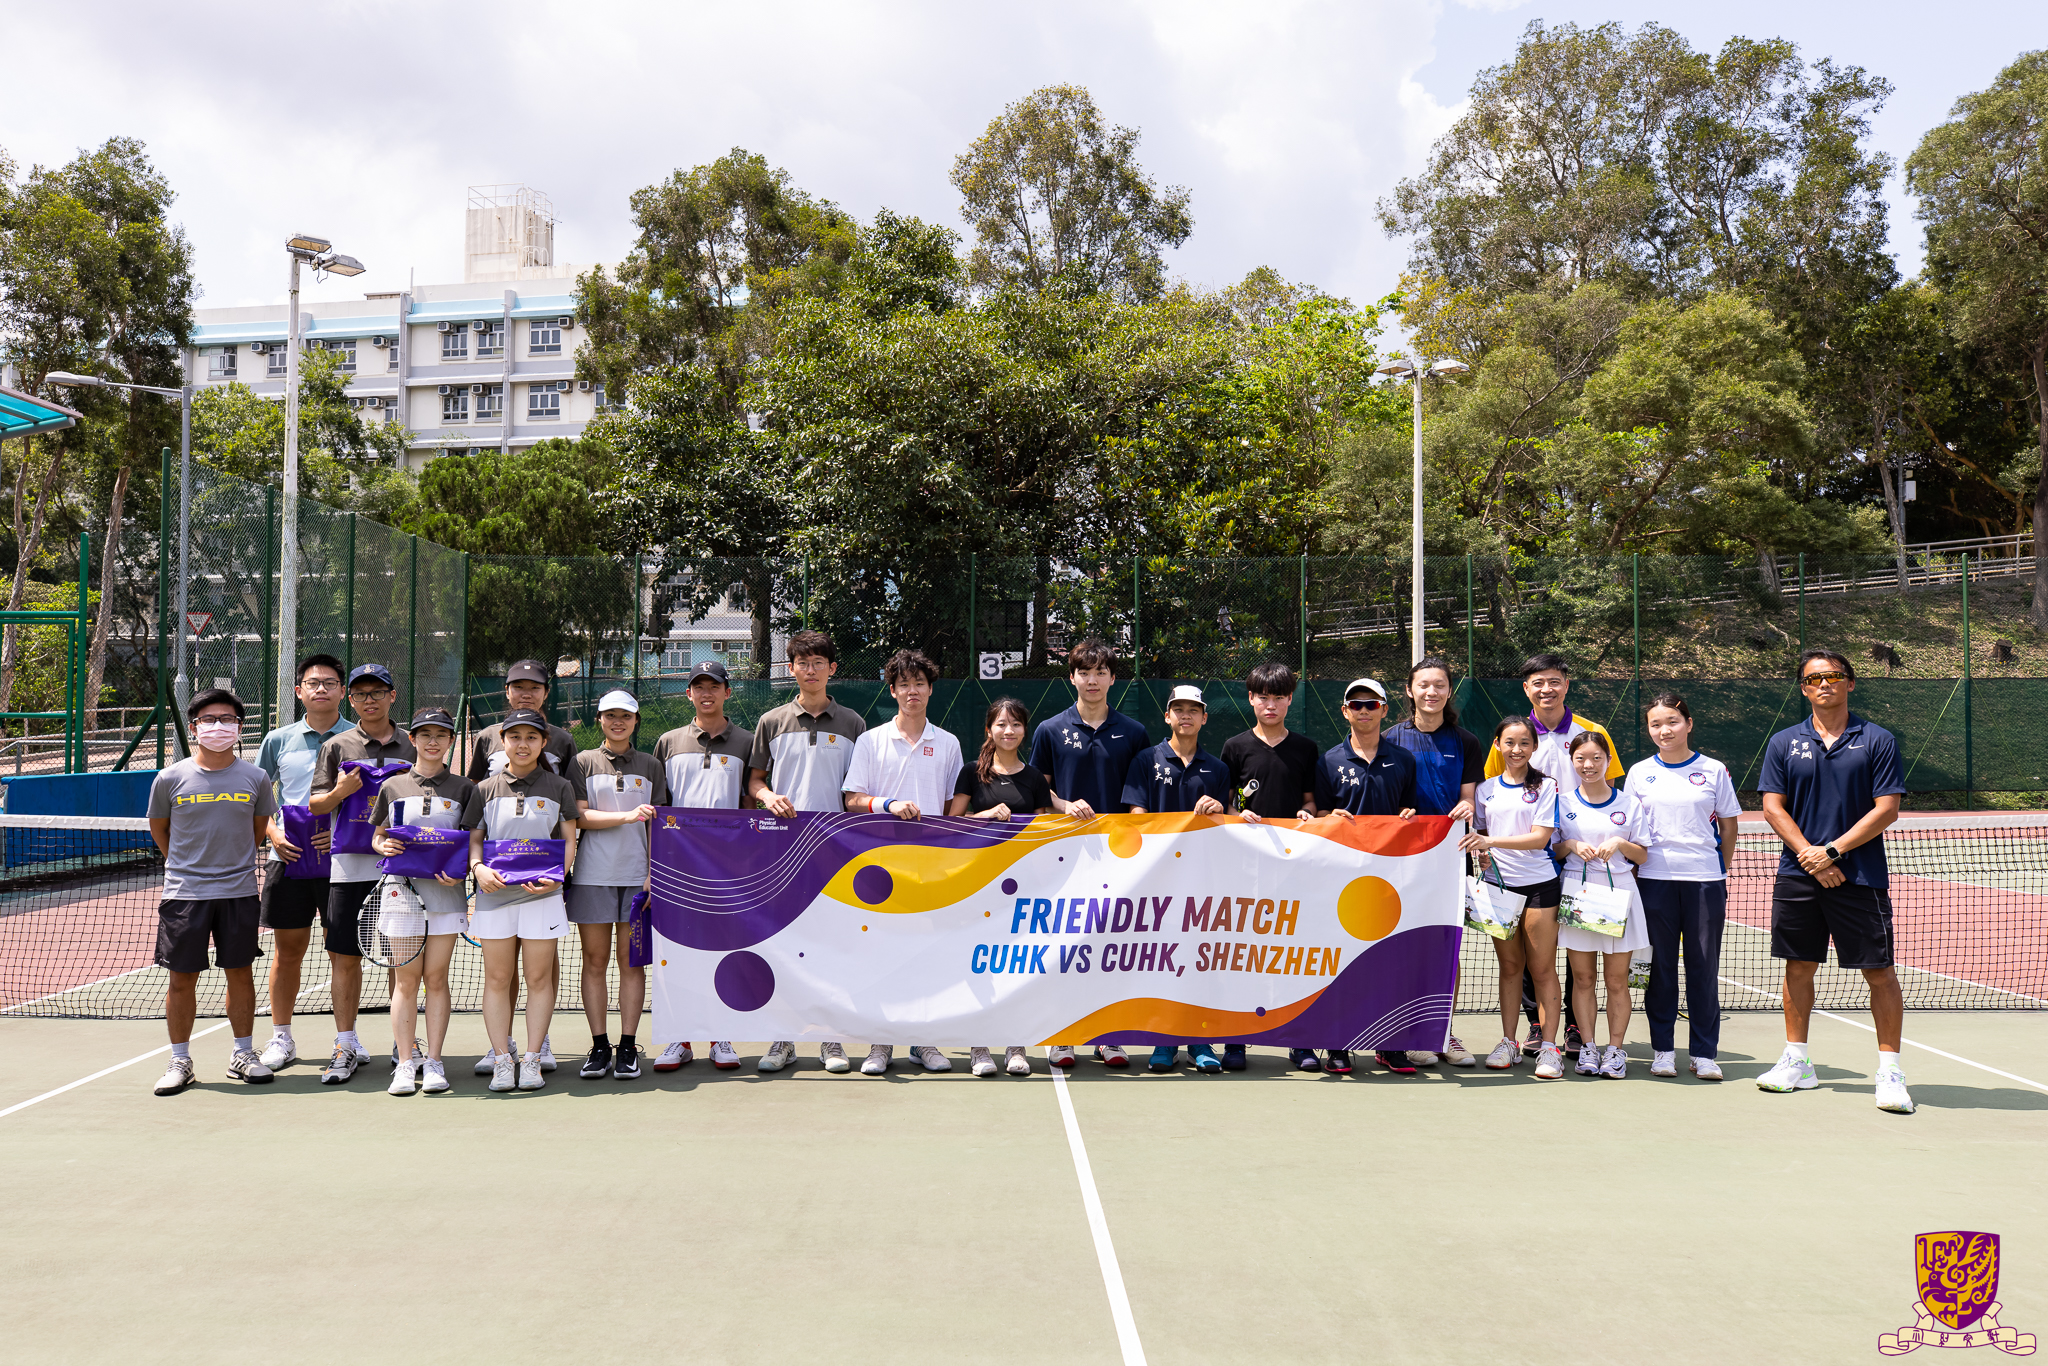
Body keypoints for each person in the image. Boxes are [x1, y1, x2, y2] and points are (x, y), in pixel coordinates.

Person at [1756, 650, 1911, 1114]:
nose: (1824, 683)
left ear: (1850, 684)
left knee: (1879, 973)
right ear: (1804, 688)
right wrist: (1812, 857)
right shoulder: (1784, 742)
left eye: (1834, 676)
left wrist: (1831, 852)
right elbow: (1772, 806)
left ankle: (1890, 1072)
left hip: (1859, 878)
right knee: (1798, 966)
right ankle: (1797, 1063)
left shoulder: (1878, 739)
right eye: (1814, 678)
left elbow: (1886, 809)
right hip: (1798, 875)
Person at [1485, 653, 1622, 1057]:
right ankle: (1535, 1025)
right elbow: (1496, 789)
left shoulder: (1592, 731)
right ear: (1526, 688)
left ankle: (1578, 1028)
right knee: (1527, 953)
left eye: (1554, 681)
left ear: (1566, 683)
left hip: (1583, 856)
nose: (1547, 689)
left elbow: (1608, 789)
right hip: (1525, 859)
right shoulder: (1514, 736)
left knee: (1582, 944)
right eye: (1537, 683)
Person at [1027, 636, 1152, 1069]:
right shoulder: (1049, 729)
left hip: (1120, 858)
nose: (1092, 679)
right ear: (1072, 677)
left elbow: (1144, 795)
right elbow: (1035, 789)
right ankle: (1063, 1035)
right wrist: (1064, 805)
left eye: (1101, 671)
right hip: (1064, 855)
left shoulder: (1134, 732)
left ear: (1113, 678)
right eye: (1085, 671)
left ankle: (1108, 1035)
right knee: (1064, 944)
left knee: (1112, 946)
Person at [149, 688, 279, 1095]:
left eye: (227, 719)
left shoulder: (256, 778)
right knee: (181, 978)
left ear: (240, 728)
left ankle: (243, 1054)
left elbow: (258, 830)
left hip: (239, 891)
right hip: (184, 894)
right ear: (193, 728)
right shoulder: (170, 778)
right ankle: (180, 1061)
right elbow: (160, 830)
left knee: (239, 973)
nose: (218, 726)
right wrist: (186, 867)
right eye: (209, 720)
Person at [748, 630, 866, 1073]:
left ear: (832, 669)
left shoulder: (854, 723)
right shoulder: (772, 721)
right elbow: (755, 780)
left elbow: (858, 790)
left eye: (819, 662)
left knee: (830, 946)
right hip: (781, 853)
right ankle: (783, 1038)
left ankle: (830, 1041)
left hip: (836, 853)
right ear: (791, 668)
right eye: (803, 662)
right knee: (782, 945)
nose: (811, 669)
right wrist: (767, 797)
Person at [844, 648, 965, 1077]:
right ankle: (880, 1042)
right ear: (893, 690)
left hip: (931, 867)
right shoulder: (870, 740)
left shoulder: (948, 744)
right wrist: (888, 804)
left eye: (920, 683)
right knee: (882, 954)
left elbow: (954, 809)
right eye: (904, 684)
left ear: (930, 690)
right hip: (878, 868)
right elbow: (852, 800)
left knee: (925, 955)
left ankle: (924, 1041)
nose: (912, 691)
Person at [306, 664, 416, 1086]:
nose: (369, 699)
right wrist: (341, 792)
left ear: (392, 695)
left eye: (378, 691)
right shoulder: (337, 746)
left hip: (403, 866)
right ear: (350, 700)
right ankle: (346, 1043)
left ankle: (402, 1044)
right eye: (360, 693)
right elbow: (317, 805)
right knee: (345, 959)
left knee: (401, 959)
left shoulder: (413, 743)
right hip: (348, 868)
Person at [466, 658, 574, 1079]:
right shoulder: (485, 788)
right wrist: (478, 869)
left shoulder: (560, 786)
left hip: (544, 895)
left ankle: (531, 1057)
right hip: (495, 894)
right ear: (503, 741)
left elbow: (570, 838)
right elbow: (476, 838)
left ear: (544, 742)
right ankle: (502, 1059)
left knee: (539, 979)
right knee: (496, 978)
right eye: (515, 737)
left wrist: (558, 876)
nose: (523, 744)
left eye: (532, 738)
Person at [1626, 692, 1740, 1080]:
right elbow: (1629, 825)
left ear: (1688, 724)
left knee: (1703, 967)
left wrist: (1719, 866)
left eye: (1672, 721)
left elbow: (1728, 824)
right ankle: (1662, 1050)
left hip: (1705, 882)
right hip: (1654, 880)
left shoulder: (1713, 769)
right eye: (1655, 724)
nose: (1664, 730)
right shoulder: (1639, 773)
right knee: (1658, 969)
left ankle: (1704, 1053)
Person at [1309, 677, 1419, 1076]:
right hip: (1341, 878)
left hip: (1391, 879)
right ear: (1345, 711)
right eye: (1356, 704)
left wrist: (1409, 816)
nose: (1364, 710)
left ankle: (1390, 1046)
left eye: (1371, 704)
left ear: (1384, 710)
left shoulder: (1404, 761)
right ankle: (1337, 1044)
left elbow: (1413, 813)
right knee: (1342, 963)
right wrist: (1327, 816)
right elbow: (1317, 815)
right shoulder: (1328, 760)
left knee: (1389, 962)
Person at [1120, 685, 1230, 1075]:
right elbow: (1136, 816)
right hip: (1159, 881)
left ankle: (1201, 1041)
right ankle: (1163, 1042)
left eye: (1193, 710)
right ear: (1166, 716)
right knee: (1161, 963)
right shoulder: (1145, 760)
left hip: (1203, 881)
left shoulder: (1217, 769)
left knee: (1199, 961)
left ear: (1204, 718)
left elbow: (1230, 825)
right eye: (1177, 709)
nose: (1185, 716)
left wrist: (1219, 809)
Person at [650, 660, 754, 1072]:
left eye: (715, 685)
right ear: (689, 694)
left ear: (728, 692)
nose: (707, 693)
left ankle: (720, 1034)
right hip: (678, 867)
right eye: (699, 686)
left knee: (724, 949)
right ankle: (680, 1037)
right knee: (676, 951)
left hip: (730, 868)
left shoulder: (747, 741)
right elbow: (660, 807)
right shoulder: (668, 742)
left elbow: (749, 805)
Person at [1217, 660, 1320, 1071]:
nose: (1270, 704)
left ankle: (1300, 1042)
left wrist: (1307, 814)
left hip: (1294, 868)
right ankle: (1237, 1039)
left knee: (1293, 951)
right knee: (1245, 951)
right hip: (1245, 867)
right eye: (1263, 697)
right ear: (1251, 699)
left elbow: (1312, 802)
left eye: (1278, 697)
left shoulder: (1306, 749)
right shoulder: (1234, 746)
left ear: (1290, 700)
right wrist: (1235, 816)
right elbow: (1225, 804)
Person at [1383, 656, 1485, 1068]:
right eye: (1423, 684)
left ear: (1448, 691)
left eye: (1439, 684)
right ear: (1409, 691)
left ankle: (1441, 1029)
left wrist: (1465, 809)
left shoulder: (1466, 741)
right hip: (1399, 862)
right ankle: (1405, 1032)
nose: (1431, 691)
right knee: (1399, 946)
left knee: (1447, 947)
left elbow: (1468, 797)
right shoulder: (1389, 738)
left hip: (1449, 859)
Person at [253, 653, 353, 1071]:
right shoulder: (277, 740)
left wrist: (343, 833)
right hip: (287, 859)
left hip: (343, 862)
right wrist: (272, 832)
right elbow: (259, 796)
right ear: (299, 691)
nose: (321, 689)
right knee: (287, 951)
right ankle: (281, 1038)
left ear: (342, 690)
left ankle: (346, 1041)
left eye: (330, 683)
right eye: (313, 683)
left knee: (343, 954)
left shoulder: (359, 737)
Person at [369, 708, 476, 1096]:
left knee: (436, 979)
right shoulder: (393, 787)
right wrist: (384, 844)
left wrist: (462, 868)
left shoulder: (466, 789)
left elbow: (471, 844)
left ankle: (434, 1062)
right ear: (411, 739)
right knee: (406, 981)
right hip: (402, 896)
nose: (433, 741)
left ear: (451, 741)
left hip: (446, 897)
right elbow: (377, 837)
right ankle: (405, 1063)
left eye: (441, 735)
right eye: (424, 734)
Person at [947, 696, 1055, 1078]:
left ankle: (1015, 1046)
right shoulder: (970, 773)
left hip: (1023, 889)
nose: (1008, 731)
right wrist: (986, 815)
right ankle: (979, 1048)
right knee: (978, 967)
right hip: (978, 888)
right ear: (989, 729)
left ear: (1025, 730)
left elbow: (1046, 832)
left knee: (1016, 968)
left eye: (1016, 724)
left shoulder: (1034, 778)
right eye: (1001, 724)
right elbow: (952, 822)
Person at [569, 690, 668, 1082]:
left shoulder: (651, 765)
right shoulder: (582, 762)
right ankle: (598, 1047)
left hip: (636, 879)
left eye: (625, 716)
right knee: (594, 963)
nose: (617, 722)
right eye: (610, 715)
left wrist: (651, 871)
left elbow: (658, 825)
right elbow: (578, 817)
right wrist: (627, 816)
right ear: (599, 720)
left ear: (636, 720)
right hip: (592, 876)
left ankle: (627, 1047)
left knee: (631, 964)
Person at [1462, 716, 1566, 1079]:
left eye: (1524, 742)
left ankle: (1550, 1046)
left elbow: (1540, 838)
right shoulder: (1485, 790)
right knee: (1509, 968)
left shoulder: (1546, 786)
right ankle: (1508, 1042)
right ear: (1497, 745)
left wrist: (1490, 842)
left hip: (1540, 886)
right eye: (1509, 742)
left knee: (1541, 969)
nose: (1517, 749)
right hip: (1497, 888)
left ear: (1533, 747)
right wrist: (1484, 852)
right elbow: (1481, 833)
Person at [1552, 732, 1650, 1080]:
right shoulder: (1562, 802)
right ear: (1572, 761)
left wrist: (1620, 842)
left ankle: (1615, 1050)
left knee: (1617, 980)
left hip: (1620, 895)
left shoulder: (1629, 804)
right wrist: (1572, 844)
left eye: (1596, 758)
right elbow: (1554, 849)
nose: (1588, 765)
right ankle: (1589, 1047)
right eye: (1581, 759)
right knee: (1582, 978)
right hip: (1578, 895)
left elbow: (1643, 854)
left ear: (1609, 761)